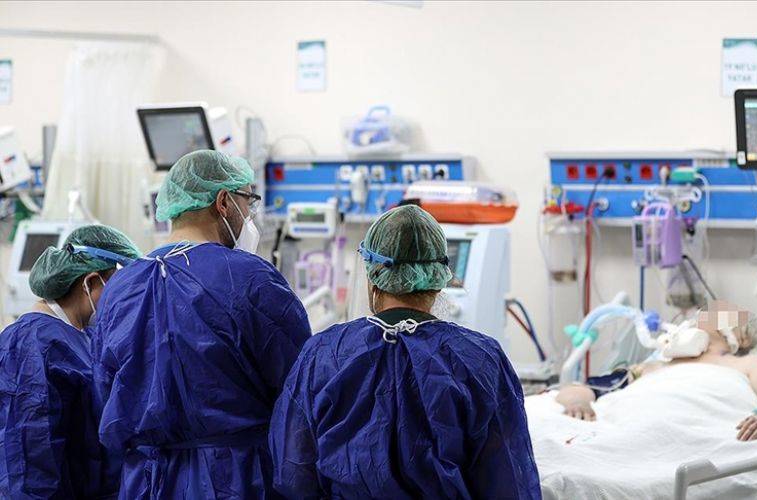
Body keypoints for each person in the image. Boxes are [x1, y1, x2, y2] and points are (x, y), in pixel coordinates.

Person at [270, 205, 541, 499]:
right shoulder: (480, 359)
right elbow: (509, 480)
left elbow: (293, 473)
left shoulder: (323, 355)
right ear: (439, 279)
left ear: (372, 275)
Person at [93, 150, 311, 499]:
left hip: (147, 481)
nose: (249, 216)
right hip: (236, 479)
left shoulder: (120, 288)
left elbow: (107, 392)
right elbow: (299, 389)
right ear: (224, 202)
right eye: (248, 202)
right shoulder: (250, 278)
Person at [0, 224, 141, 498]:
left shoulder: (83, 336)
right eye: (119, 287)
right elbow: (31, 460)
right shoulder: (33, 345)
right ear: (91, 282)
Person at [556, 308, 757, 441]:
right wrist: (577, 402)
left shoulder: (747, 365)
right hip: (621, 431)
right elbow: (583, 389)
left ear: (741, 337)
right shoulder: (650, 367)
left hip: (689, 434)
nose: (699, 319)